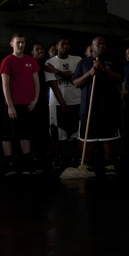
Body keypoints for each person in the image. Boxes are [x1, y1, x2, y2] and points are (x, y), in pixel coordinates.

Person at [71, 37, 122, 172]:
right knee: (87, 138)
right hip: (88, 107)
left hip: (107, 106)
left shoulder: (111, 61)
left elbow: (119, 77)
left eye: (104, 44)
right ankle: (86, 163)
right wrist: (89, 73)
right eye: (98, 44)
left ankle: (109, 162)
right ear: (92, 46)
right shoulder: (83, 63)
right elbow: (76, 83)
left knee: (108, 137)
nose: (101, 46)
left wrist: (103, 69)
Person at [0, 33, 40, 175]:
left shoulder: (31, 60)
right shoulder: (7, 61)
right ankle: (9, 165)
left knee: (25, 135)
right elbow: (5, 85)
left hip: (27, 104)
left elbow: (36, 82)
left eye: (23, 42)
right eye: (18, 42)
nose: (21, 45)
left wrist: (35, 100)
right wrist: (10, 106)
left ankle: (27, 164)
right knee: (7, 135)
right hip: (12, 104)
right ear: (12, 44)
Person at [44, 38, 81, 170]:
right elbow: (54, 86)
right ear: (57, 46)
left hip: (76, 100)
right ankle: (56, 158)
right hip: (57, 103)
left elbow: (75, 78)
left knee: (77, 132)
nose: (65, 46)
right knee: (56, 132)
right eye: (62, 44)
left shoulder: (77, 60)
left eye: (67, 44)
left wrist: (58, 71)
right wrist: (63, 104)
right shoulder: (50, 63)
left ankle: (79, 158)